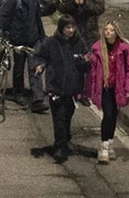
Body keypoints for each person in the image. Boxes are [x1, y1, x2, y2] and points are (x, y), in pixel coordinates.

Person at [0, 0, 51, 112]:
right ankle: (18, 92)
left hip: (34, 38)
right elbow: (2, 15)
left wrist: (55, 7)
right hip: (18, 39)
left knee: (34, 68)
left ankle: (37, 100)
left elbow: (43, 9)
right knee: (18, 68)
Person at [34, 15, 91, 163]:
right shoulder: (51, 43)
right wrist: (39, 66)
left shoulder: (79, 43)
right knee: (58, 118)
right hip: (56, 87)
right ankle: (60, 147)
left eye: (72, 27)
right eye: (67, 27)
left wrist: (85, 62)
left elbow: (86, 64)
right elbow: (40, 56)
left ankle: (64, 141)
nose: (71, 30)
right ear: (61, 28)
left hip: (73, 89)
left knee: (67, 117)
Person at [87, 20, 129, 164]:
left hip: (117, 88)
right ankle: (104, 146)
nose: (108, 32)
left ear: (116, 32)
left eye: (111, 30)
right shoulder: (97, 48)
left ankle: (109, 143)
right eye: (106, 30)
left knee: (113, 116)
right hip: (104, 87)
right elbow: (91, 72)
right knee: (108, 114)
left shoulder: (124, 49)